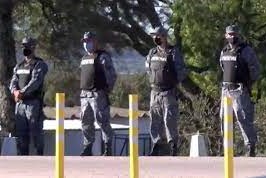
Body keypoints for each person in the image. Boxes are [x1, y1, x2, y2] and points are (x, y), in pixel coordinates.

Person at [219, 25, 260, 157]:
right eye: (229, 34)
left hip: (239, 90)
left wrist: (249, 83)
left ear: (238, 35)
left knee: (243, 118)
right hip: (226, 90)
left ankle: (250, 147)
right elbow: (223, 67)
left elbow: (256, 69)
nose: (232, 36)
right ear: (226, 36)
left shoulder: (246, 50)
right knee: (224, 118)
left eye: (234, 34)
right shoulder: (224, 51)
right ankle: (228, 149)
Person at [145, 26, 187, 156]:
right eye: (154, 36)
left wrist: (172, 82)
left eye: (157, 36)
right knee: (155, 119)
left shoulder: (173, 52)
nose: (155, 38)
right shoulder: (152, 53)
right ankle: (156, 145)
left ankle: (173, 146)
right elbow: (148, 69)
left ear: (164, 37)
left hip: (168, 92)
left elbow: (182, 71)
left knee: (170, 120)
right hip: (155, 92)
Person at [79, 31, 117, 156]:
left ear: (95, 41)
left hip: (97, 94)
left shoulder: (102, 56)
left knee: (102, 121)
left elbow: (111, 75)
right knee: (85, 122)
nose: (86, 44)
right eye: (85, 42)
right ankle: (87, 147)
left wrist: (107, 90)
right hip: (85, 95)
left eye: (88, 41)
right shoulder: (84, 58)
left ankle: (107, 148)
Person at [9, 37, 48, 155]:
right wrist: (15, 91)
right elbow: (13, 82)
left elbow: (35, 82)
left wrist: (22, 92)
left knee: (35, 131)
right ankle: (23, 158)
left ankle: (39, 156)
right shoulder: (19, 66)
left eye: (28, 46)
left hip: (33, 103)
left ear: (33, 47)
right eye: (23, 46)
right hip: (20, 104)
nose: (25, 48)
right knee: (21, 133)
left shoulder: (39, 64)